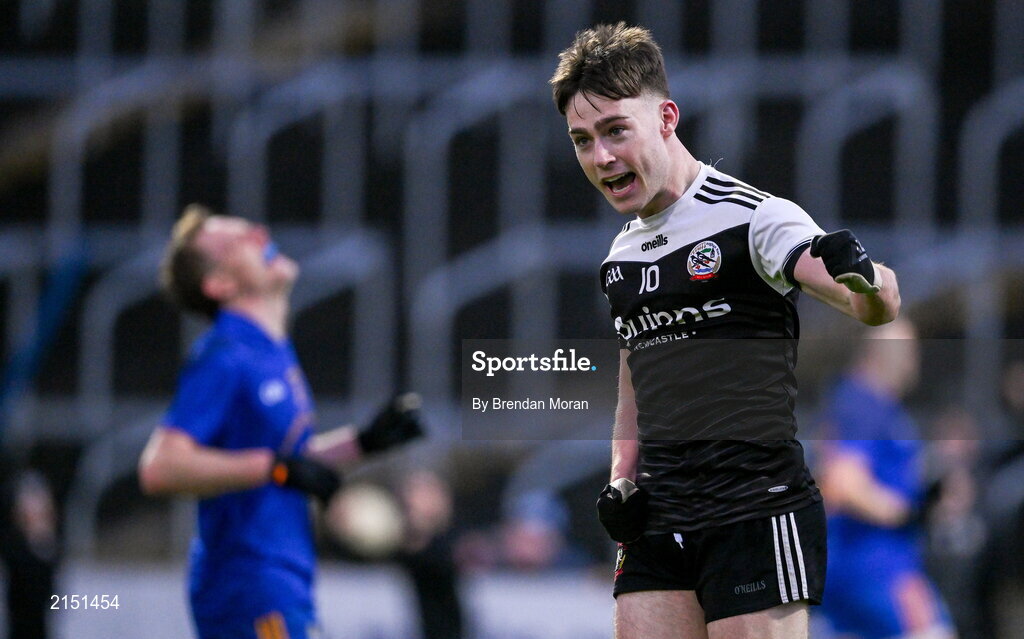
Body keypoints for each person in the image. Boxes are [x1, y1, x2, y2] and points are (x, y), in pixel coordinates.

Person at [549, 23, 901, 639]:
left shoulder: (755, 218)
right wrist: (620, 479)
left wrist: (865, 277)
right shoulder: (621, 257)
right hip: (658, 516)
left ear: (666, 117)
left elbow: (875, 305)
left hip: (755, 509)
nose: (600, 157)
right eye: (582, 140)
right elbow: (636, 388)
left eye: (614, 131)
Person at [138, 204, 423, 639]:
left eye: (250, 228)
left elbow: (286, 463)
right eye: (237, 241)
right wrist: (276, 468)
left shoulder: (269, 351)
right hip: (249, 581)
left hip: (279, 578)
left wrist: (362, 443)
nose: (259, 234)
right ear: (220, 283)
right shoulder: (226, 356)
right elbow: (160, 468)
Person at [817, 319, 956, 639]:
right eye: (909, 350)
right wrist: (910, 513)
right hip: (876, 566)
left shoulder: (872, 404)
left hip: (867, 565)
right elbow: (842, 483)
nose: (913, 360)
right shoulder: (862, 402)